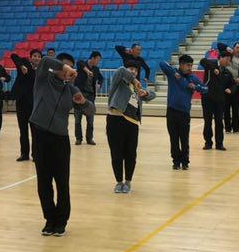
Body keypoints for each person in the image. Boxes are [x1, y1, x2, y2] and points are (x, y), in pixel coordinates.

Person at [30, 53, 85, 236]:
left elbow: (90, 109)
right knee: (43, 182)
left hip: (60, 139)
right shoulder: (42, 79)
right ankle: (49, 219)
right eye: (63, 67)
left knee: (62, 182)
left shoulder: (71, 89)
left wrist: (83, 102)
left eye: (69, 68)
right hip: (40, 136)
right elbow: (45, 61)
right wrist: (64, 66)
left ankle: (61, 221)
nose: (65, 71)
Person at [106, 60, 157, 193]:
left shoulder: (137, 87)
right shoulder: (119, 81)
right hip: (115, 119)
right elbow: (121, 70)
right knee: (116, 153)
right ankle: (119, 182)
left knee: (130, 154)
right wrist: (133, 80)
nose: (133, 71)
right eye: (131, 69)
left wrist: (145, 93)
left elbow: (153, 95)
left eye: (135, 70)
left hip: (132, 123)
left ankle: (128, 182)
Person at [160, 56, 207, 171]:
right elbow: (162, 63)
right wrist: (174, 72)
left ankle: (185, 162)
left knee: (184, 139)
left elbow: (206, 89)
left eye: (191, 65)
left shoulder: (193, 78)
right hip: (171, 111)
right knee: (174, 139)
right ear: (181, 65)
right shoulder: (173, 74)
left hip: (184, 113)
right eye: (187, 65)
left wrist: (195, 87)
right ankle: (176, 161)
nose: (190, 68)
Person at [200, 46, 234, 151]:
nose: (228, 62)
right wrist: (213, 68)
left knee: (219, 122)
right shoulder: (211, 64)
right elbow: (202, 61)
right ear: (221, 58)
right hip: (207, 98)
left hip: (219, 100)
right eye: (227, 59)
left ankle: (219, 143)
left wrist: (230, 89)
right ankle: (208, 142)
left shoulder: (227, 72)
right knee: (208, 121)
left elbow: (233, 84)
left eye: (230, 60)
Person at [10, 49, 41, 162]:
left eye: (39, 56)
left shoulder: (42, 70)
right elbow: (13, 55)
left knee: (35, 132)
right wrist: (21, 66)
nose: (37, 58)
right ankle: (24, 154)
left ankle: (35, 154)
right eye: (34, 56)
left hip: (34, 104)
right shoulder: (24, 63)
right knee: (23, 130)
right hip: (22, 103)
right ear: (31, 57)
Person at [74, 51, 103, 146]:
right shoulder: (82, 65)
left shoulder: (96, 69)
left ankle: (89, 138)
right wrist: (87, 70)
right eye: (98, 60)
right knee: (78, 118)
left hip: (90, 96)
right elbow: (79, 62)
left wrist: (99, 84)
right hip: (80, 94)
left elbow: (101, 78)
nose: (98, 62)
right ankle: (78, 138)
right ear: (93, 58)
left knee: (90, 119)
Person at [223, 42, 239, 134]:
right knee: (226, 109)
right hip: (226, 86)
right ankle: (227, 128)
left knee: (235, 109)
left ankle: (236, 129)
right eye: (237, 47)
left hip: (236, 87)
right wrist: (227, 48)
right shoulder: (228, 56)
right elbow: (219, 45)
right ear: (233, 48)